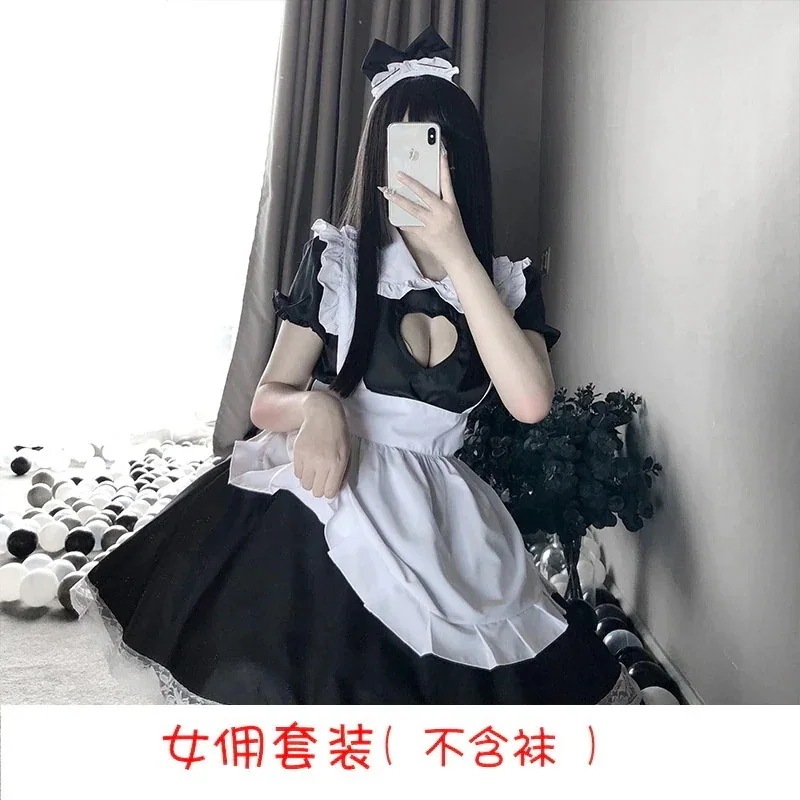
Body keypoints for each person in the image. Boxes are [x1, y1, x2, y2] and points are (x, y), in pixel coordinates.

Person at [71, 26, 641, 705]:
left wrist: (459, 255)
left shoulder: (504, 285)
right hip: (334, 488)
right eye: (403, 147)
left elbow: (530, 402)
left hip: (445, 516)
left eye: (435, 146)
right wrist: (317, 406)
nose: (419, 167)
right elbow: (267, 398)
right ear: (378, 159)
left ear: (463, 158)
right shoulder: (339, 263)